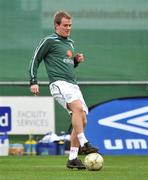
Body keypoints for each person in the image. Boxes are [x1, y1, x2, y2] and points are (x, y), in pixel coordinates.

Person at [29, 10, 98, 169]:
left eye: (70, 25)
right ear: (56, 25)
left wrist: (75, 61)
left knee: (82, 119)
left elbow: (66, 64)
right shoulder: (49, 41)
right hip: (59, 84)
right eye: (65, 25)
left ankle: (73, 158)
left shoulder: (70, 43)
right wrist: (33, 81)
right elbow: (35, 59)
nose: (68, 28)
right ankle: (84, 143)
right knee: (77, 109)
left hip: (73, 84)